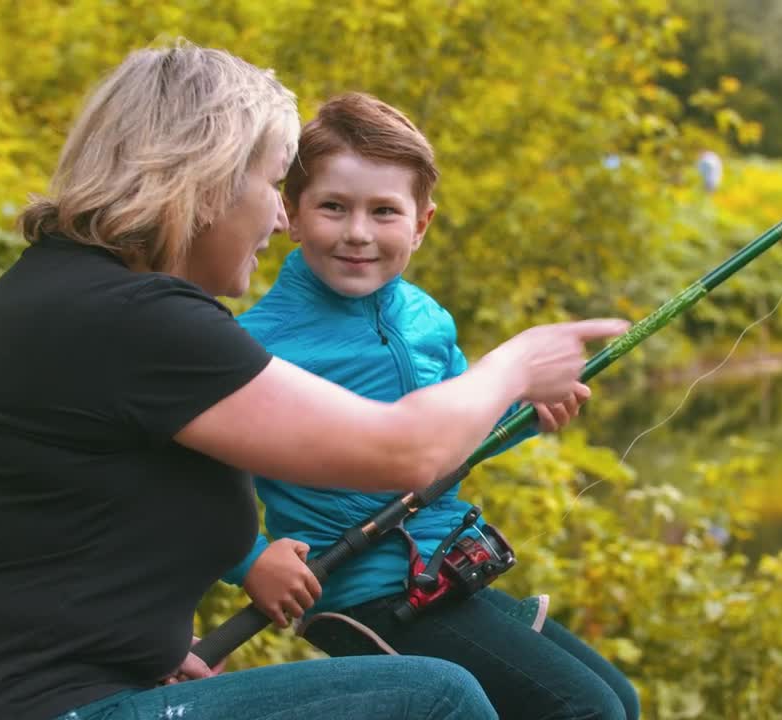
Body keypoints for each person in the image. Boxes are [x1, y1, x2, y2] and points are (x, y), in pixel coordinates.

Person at [0, 42, 628, 720]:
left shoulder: (79, 296)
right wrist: (517, 364)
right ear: (205, 181)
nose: (278, 221)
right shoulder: (136, 320)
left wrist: (134, 649)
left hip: (62, 691)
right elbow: (406, 451)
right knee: (439, 698)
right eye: (272, 185)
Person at [223, 92, 640, 720]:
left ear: (421, 224)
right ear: (292, 212)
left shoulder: (425, 318)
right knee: (585, 711)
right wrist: (250, 558)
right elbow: (187, 483)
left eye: (384, 211)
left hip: (444, 577)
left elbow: (457, 435)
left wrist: (523, 407)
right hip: (364, 594)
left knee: (621, 700)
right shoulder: (259, 344)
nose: (357, 232)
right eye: (334, 207)